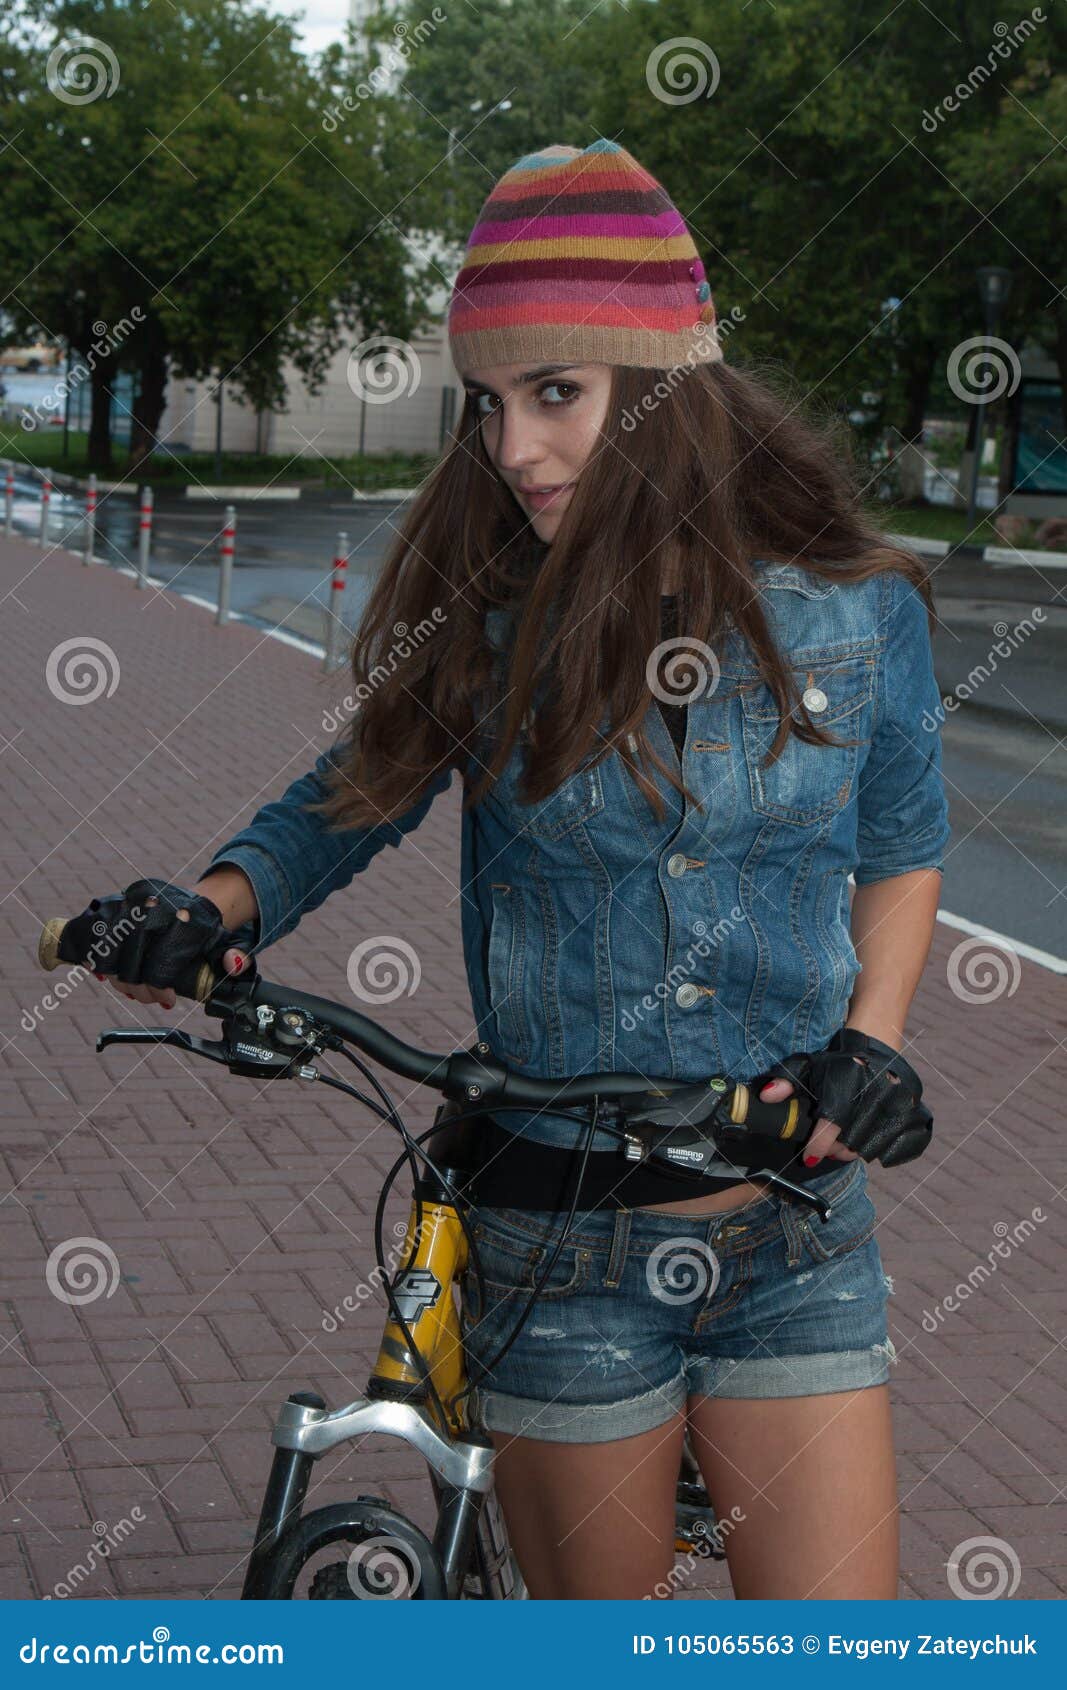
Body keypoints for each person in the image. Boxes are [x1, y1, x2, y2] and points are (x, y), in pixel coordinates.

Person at [77, 140, 949, 1600]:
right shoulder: (489, 628)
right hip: (559, 1251)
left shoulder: (860, 614)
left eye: (557, 394)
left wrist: (878, 1041)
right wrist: (208, 906)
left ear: (668, 391)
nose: (511, 449)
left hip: (796, 1232)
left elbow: (904, 844)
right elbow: (339, 805)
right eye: (489, 404)